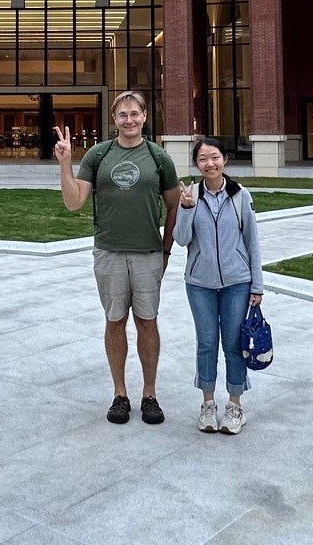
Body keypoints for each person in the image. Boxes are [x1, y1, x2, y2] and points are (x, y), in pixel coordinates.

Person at [56, 91, 181, 425]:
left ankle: (150, 395)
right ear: (114, 120)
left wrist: (166, 250)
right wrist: (66, 163)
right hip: (109, 252)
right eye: (122, 115)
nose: (129, 120)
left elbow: (173, 207)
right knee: (115, 322)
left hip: (148, 253)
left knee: (147, 321)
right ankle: (120, 394)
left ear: (144, 117)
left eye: (135, 114)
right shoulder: (99, 155)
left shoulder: (159, 158)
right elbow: (74, 202)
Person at [173, 137, 264, 435]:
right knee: (207, 342)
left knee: (234, 345)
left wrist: (257, 286)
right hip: (199, 283)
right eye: (202, 159)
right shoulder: (189, 195)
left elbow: (252, 241)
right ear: (197, 164)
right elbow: (181, 239)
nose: (209, 163)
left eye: (214, 157)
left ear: (225, 159)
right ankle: (208, 404)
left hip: (237, 283)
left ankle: (235, 405)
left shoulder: (240, 196)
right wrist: (185, 208)